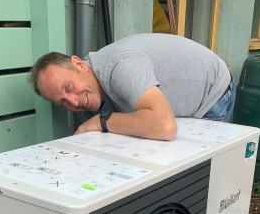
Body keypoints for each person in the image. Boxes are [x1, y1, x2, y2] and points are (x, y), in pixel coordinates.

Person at [28, 33, 235, 141]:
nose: (73, 101)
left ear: (79, 64)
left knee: (201, 180)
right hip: (172, 105)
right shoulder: (91, 85)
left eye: (68, 86)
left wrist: (101, 122)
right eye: (62, 102)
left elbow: (164, 126)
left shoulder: (120, 67)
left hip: (211, 92)